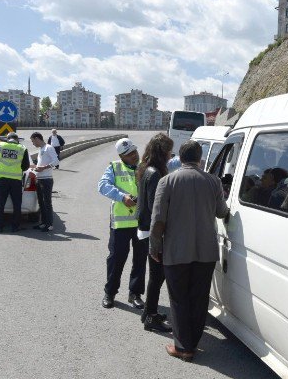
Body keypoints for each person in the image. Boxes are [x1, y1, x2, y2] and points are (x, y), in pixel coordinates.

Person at [150, 141, 229, 360]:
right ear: (200, 158)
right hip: (206, 251)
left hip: (176, 251)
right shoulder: (213, 181)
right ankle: (193, 342)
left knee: (178, 298)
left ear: (180, 159)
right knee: (199, 297)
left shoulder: (167, 181)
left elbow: (158, 220)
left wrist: (155, 246)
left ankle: (183, 347)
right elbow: (222, 212)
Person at [98, 138, 146, 309]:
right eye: (129, 154)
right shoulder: (114, 167)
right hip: (121, 225)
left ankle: (135, 294)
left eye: (134, 151)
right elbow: (102, 186)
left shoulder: (144, 166)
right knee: (116, 259)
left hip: (142, 222)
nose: (134, 155)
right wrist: (122, 197)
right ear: (121, 156)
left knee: (140, 260)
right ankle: (110, 293)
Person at [136, 134, 174, 333]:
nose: (170, 155)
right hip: (152, 232)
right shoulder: (155, 173)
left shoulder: (145, 169)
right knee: (157, 276)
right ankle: (151, 317)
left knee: (155, 275)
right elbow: (154, 207)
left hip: (145, 229)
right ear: (162, 152)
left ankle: (148, 313)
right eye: (168, 150)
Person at [0, 132, 30, 232]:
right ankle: (15, 226)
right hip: (16, 180)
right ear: (17, 139)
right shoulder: (22, 148)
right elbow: (26, 166)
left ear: (7, 138)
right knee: (17, 204)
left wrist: (3, 166)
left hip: (2, 178)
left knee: (0, 203)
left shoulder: (0, 146)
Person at [30, 131, 57, 231]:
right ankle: (43, 222)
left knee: (47, 203)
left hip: (46, 180)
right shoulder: (41, 149)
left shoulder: (49, 148)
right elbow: (40, 165)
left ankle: (49, 224)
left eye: (33, 141)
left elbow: (56, 161)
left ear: (37, 139)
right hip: (39, 179)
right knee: (41, 203)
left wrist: (43, 168)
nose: (33, 144)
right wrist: (34, 167)